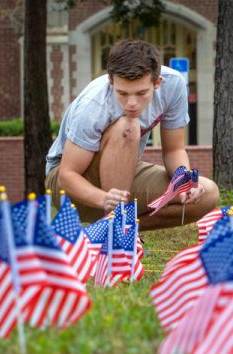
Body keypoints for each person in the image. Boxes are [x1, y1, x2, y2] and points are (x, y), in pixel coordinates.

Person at [45, 40, 219, 230]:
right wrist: (105, 199)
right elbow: (67, 175)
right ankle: (115, 228)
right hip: (68, 186)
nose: (132, 103)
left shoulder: (173, 85)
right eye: (123, 93)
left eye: (141, 92)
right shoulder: (93, 105)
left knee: (207, 193)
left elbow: (174, 150)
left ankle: (113, 231)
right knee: (128, 126)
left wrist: (184, 182)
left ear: (157, 82)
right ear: (111, 82)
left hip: (120, 177)